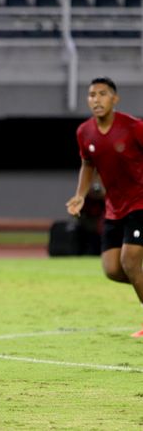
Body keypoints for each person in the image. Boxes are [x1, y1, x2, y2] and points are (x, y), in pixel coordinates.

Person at [66, 76, 143, 337]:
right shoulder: (84, 132)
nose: (96, 100)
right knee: (112, 269)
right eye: (91, 95)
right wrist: (80, 195)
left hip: (140, 202)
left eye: (102, 94)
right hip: (115, 207)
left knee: (130, 260)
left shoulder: (133, 128)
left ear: (114, 98)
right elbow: (88, 164)